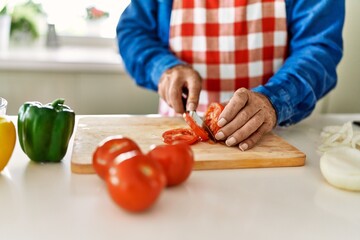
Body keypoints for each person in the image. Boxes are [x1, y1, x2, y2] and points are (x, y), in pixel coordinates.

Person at [117, 0, 345, 151]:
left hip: (275, 138)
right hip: (181, 141)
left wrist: (275, 100)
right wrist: (163, 68)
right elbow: (134, 31)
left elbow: (318, 47)